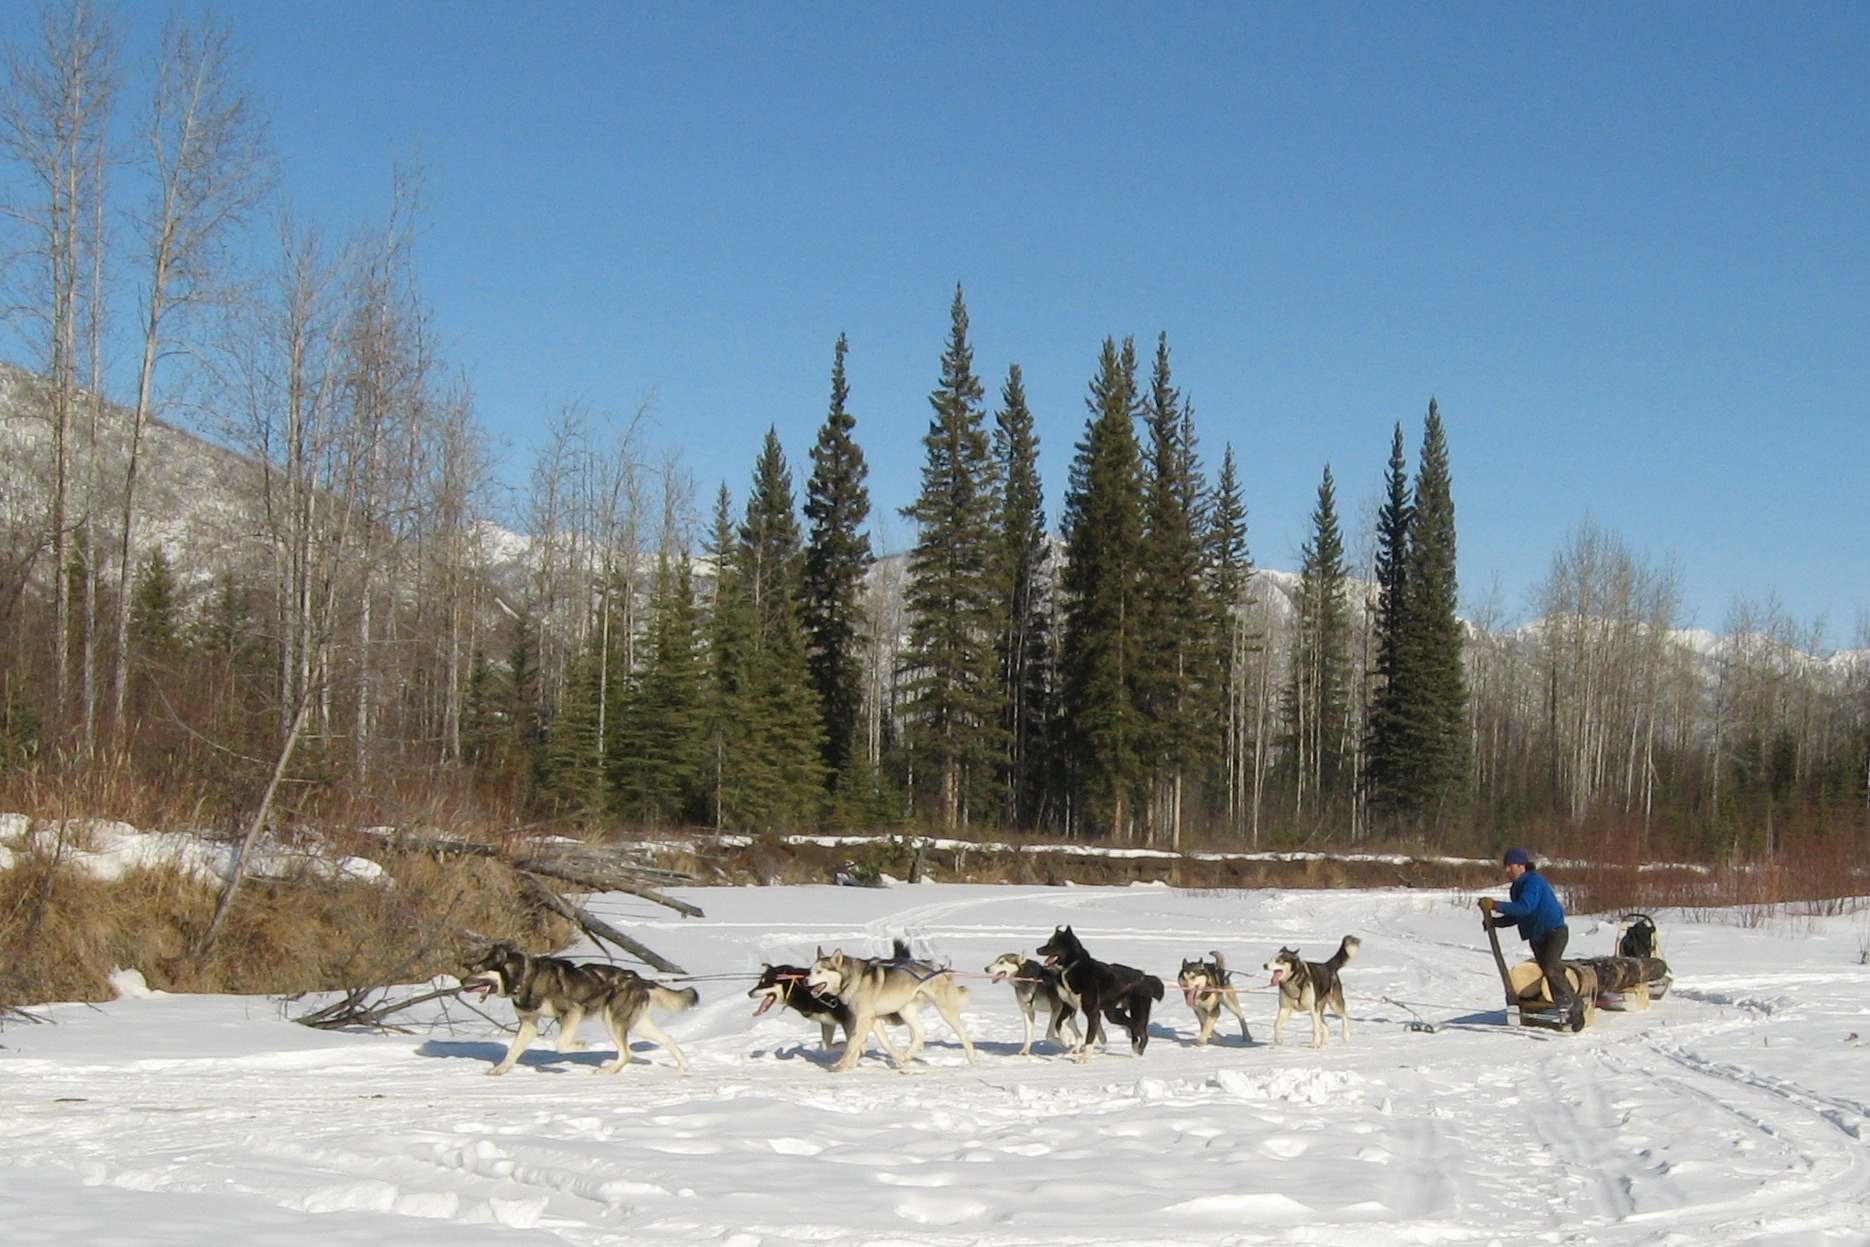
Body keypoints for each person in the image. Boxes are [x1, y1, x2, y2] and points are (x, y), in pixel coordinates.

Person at [1481, 848, 1584, 1031]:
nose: (1506, 871)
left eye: (1509, 866)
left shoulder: (1532, 881)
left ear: (1521, 866)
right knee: (1548, 970)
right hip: (1537, 935)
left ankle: (1573, 1006)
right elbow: (1519, 915)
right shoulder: (1517, 887)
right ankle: (1564, 1008)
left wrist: (1495, 905)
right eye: (1505, 867)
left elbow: (1524, 907)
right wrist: (1496, 922)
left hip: (1554, 931)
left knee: (1552, 968)